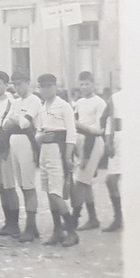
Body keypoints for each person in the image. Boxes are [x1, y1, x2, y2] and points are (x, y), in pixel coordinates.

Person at [36, 74, 79, 247]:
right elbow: (37, 132)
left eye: (48, 86)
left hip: (58, 150)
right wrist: (40, 138)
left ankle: (71, 231)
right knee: (48, 192)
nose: (45, 90)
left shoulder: (64, 106)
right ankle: (57, 231)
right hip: (44, 151)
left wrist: (68, 155)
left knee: (56, 193)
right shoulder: (41, 107)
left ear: (55, 86)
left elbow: (71, 133)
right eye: (42, 87)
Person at [2, 71, 43, 242]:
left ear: (28, 82)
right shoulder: (16, 101)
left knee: (28, 185)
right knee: (20, 184)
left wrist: (14, 117)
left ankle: (31, 226)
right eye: (15, 84)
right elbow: (4, 125)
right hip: (14, 143)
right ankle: (29, 227)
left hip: (27, 142)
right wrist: (15, 118)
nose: (17, 88)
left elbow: (26, 124)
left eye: (20, 84)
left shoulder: (34, 100)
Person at [71, 71, 108, 231]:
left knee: (80, 182)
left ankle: (73, 218)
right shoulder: (78, 102)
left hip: (93, 142)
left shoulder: (100, 103)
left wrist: (80, 126)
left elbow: (100, 129)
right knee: (85, 182)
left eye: (87, 84)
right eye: (82, 84)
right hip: (81, 141)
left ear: (93, 84)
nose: (84, 87)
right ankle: (93, 218)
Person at [0, 70, 20, 236]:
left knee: (9, 186)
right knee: (0, 185)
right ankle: (7, 221)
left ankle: (14, 224)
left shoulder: (11, 102)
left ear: (6, 85)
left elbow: (12, 126)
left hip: (6, 145)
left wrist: (5, 145)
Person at [102, 87, 123, 231]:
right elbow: (109, 121)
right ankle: (118, 218)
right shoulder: (114, 98)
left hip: (138, 140)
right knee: (110, 180)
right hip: (119, 141)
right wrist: (108, 142)